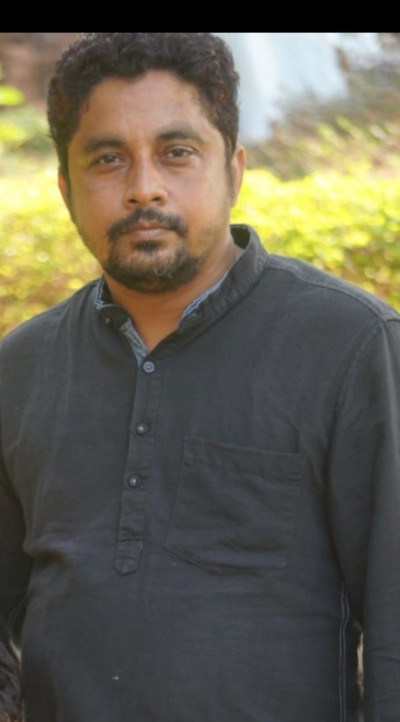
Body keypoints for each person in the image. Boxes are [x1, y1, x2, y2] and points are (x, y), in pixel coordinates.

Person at [0, 32, 399, 722]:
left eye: (177, 152)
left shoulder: (353, 346)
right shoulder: (21, 367)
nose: (144, 187)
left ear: (234, 171)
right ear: (65, 187)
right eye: (108, 159)